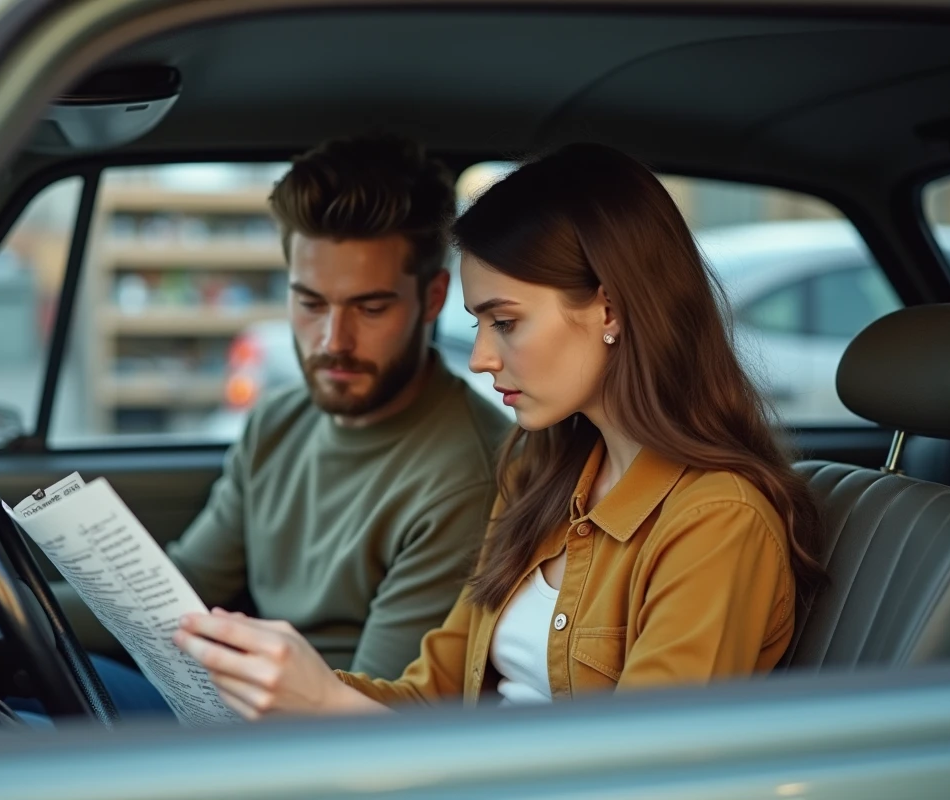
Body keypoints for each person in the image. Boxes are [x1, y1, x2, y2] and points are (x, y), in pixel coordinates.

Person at [171, 143, 827, 718]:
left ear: (609, 308)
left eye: (505, 322)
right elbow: (433, 697)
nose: (480, 356)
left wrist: (330, 706)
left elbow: (640, 772)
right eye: (478, 324)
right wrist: (294, 687)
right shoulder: (543, 478)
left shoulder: (716, 521)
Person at [53, 134, 512, 715]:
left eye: (370, 308)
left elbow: (375, 707)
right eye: (311, 303)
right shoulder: (277, 420)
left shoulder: (466, 476)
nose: (332, 342)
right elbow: (186, 589)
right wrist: (10, 609)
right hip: (216, 700)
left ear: (432, 297)